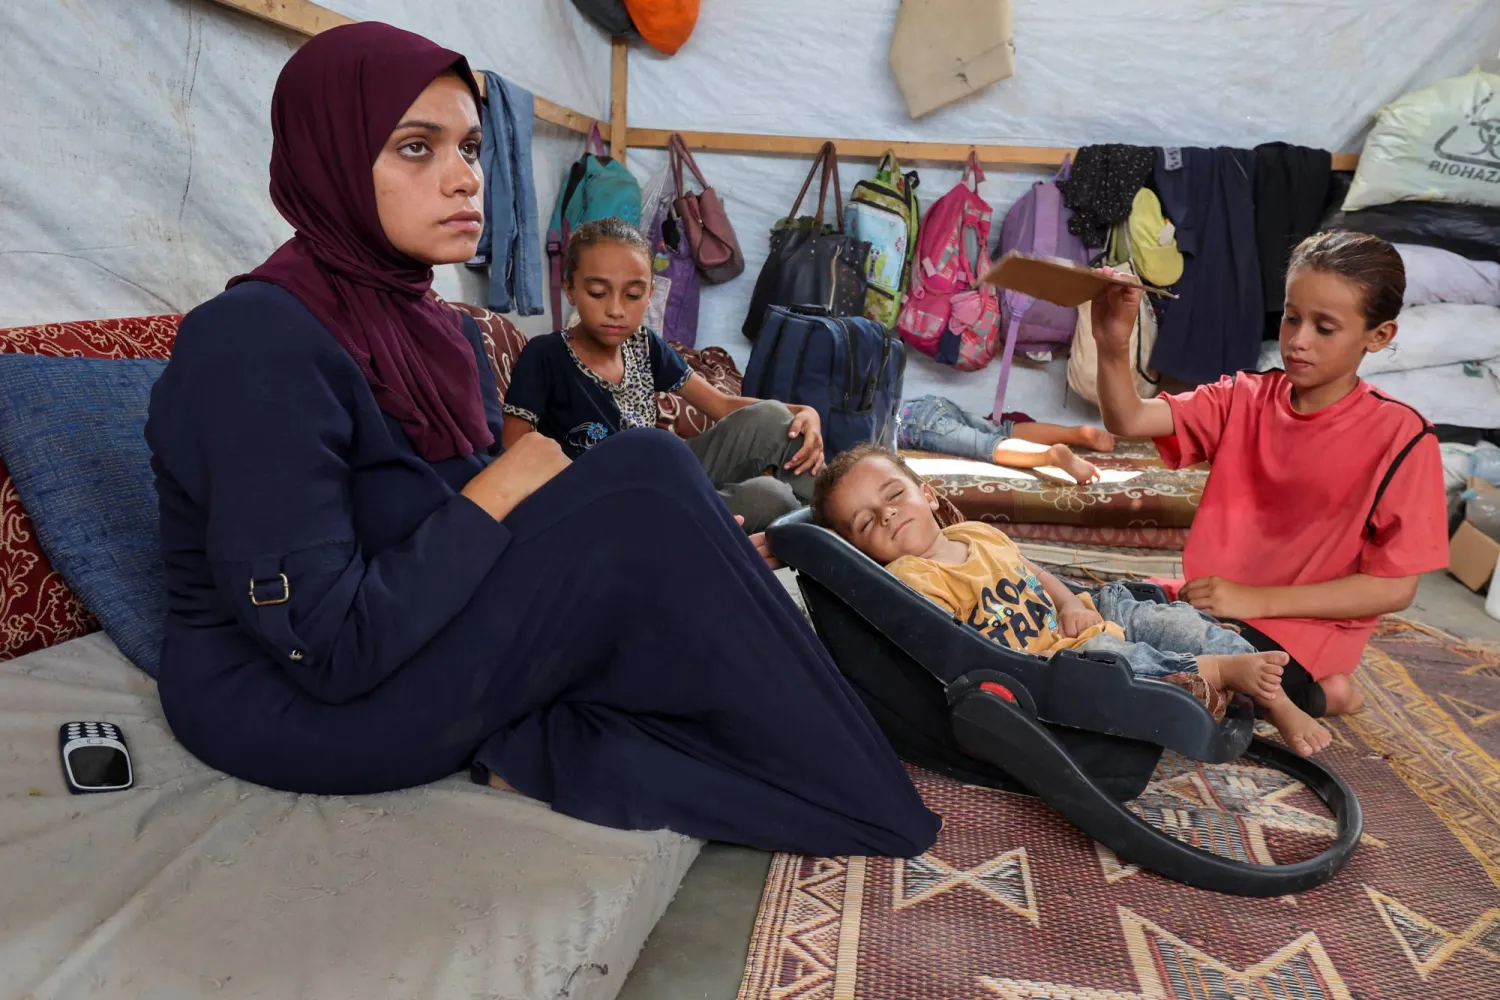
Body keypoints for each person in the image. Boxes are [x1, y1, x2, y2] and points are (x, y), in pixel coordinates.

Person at [144, 21, 940, 859]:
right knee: (646, 474)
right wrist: (505, 486)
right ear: (330, 157)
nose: (466, 177)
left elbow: (457, 524)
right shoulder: (254, 342)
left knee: (668, 509)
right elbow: (330, 646)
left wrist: (651, 541)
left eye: (471, 147)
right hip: (302, 708)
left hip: (418, 634)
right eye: (416, 147)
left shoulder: (430, 327)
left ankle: (869, 736)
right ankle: (856, 789)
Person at [1092, 230, 1449, 755]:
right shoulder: (1245, 396)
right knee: (1098, 622)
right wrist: (1112, 345)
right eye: (1291, 318)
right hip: (1212, 605)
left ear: (1378, 335)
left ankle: (1321, 694)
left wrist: (1253, 598)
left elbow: (1395, 588)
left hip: (1301, 629)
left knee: (1184, 681)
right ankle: (1307, 693)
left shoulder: (1404, 437)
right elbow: (1129, 418)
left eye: (1325, 328)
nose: (1298, 340)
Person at [812, 445, 1289, 704]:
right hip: (1050, 662)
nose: (888, 515)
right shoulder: (912, 580)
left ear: (929, 494)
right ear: (859, 551)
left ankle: (1268, 690)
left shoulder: (974, 532)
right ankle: (1216, 672)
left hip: (1075, 618)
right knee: (1116, 661)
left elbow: (1033, 571)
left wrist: (1068, 603)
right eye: (866, 523)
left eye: (894, 495)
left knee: (1155, 614)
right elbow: (954, 649)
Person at [502, 218, 823, 532]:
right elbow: (512, 456)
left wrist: (803, 412)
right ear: (570, 289)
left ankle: (829, 525)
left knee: (774, 417)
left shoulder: (644, 344)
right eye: (598, 293)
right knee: (769, 498)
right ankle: (809, 534)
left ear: (650, 294)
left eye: (632, 295)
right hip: (609, 504)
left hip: (664, 473)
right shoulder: (545, 356)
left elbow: (721, 405)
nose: (615, 310)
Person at [897, 395, 1113, 485]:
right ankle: (1074, 433)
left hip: (915, 426)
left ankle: (1050, 455)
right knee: (1003, 430)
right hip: (927, 403)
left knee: (987, 446)